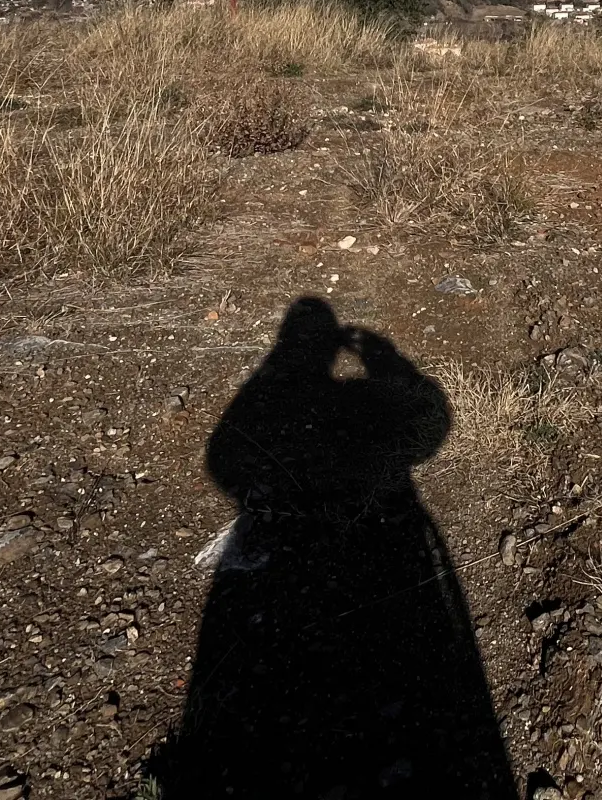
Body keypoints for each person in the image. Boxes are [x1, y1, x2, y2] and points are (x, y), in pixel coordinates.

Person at [151, 297, 514, 798]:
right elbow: (433, 426)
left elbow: (223, 459)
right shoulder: (317, 403)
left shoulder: (265, 397)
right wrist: (386, 362)